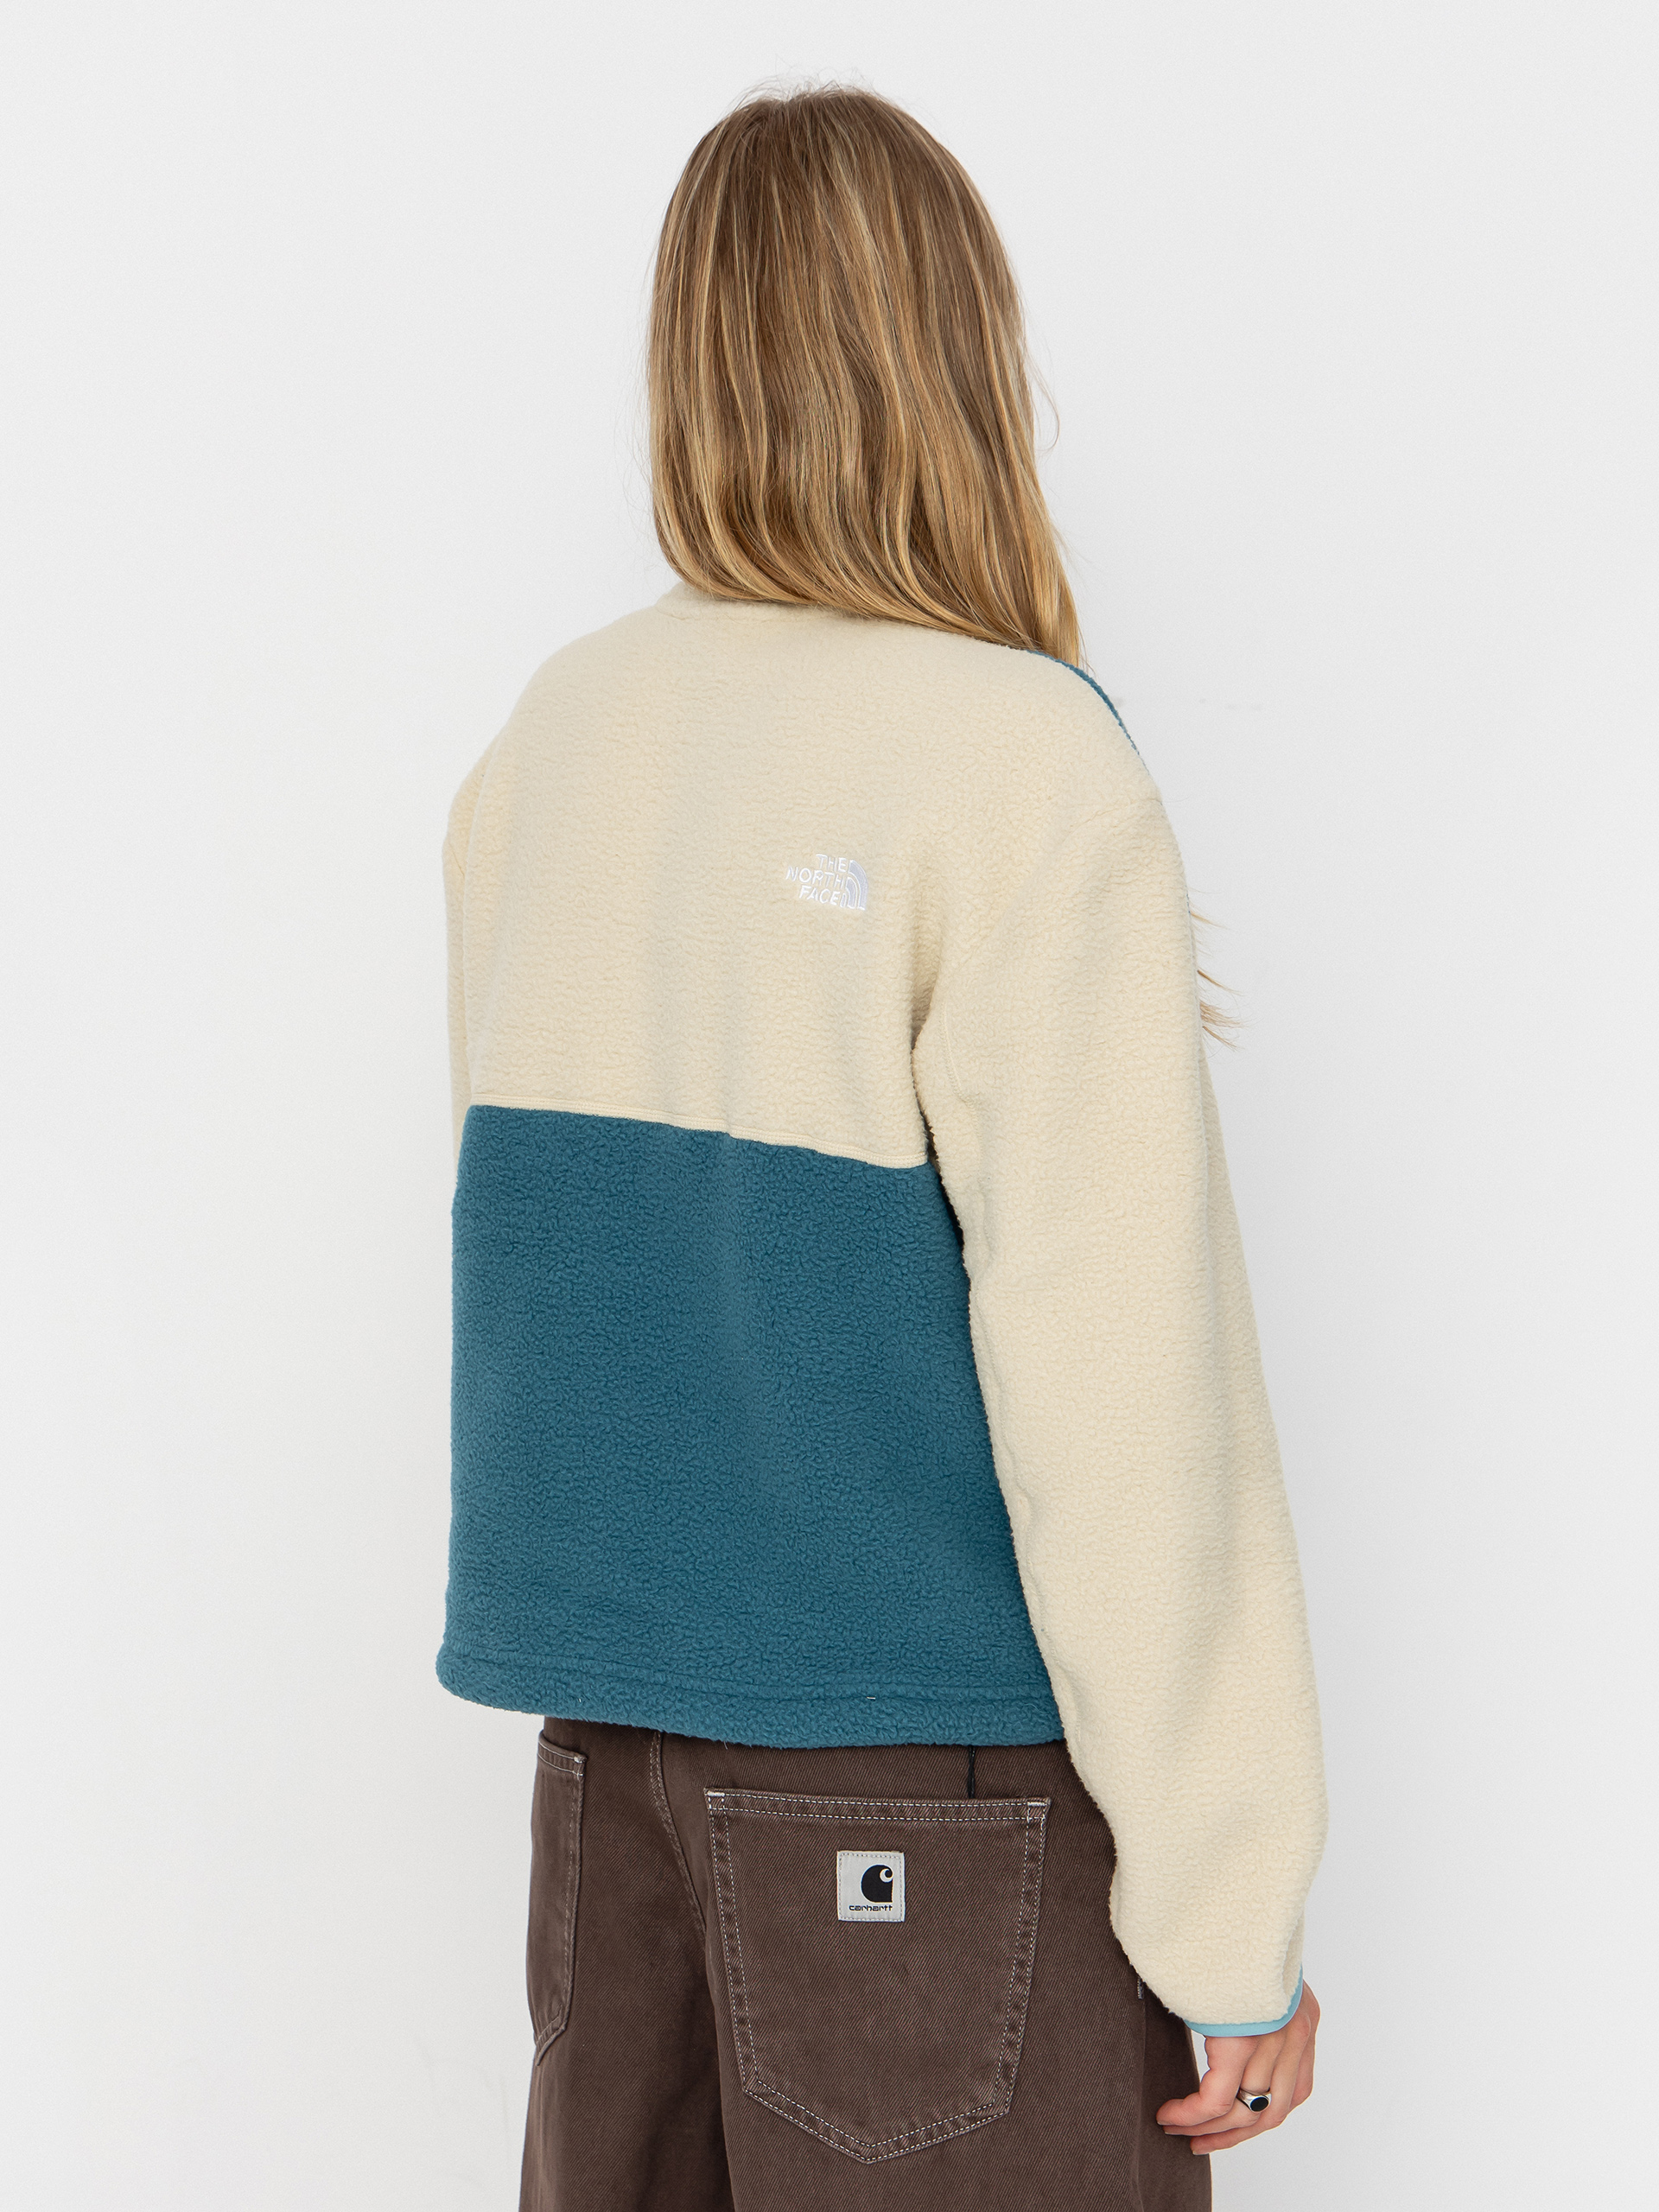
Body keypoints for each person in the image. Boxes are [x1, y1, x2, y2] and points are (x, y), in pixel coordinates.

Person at [439, 84, 1327, 2211]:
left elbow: (575, 1288)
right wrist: (1230, 1908)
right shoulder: (1014, 758)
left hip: (611, 1775)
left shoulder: (555, 737)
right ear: (957, 351)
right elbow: (1125, 1393)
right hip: (936, 1788)